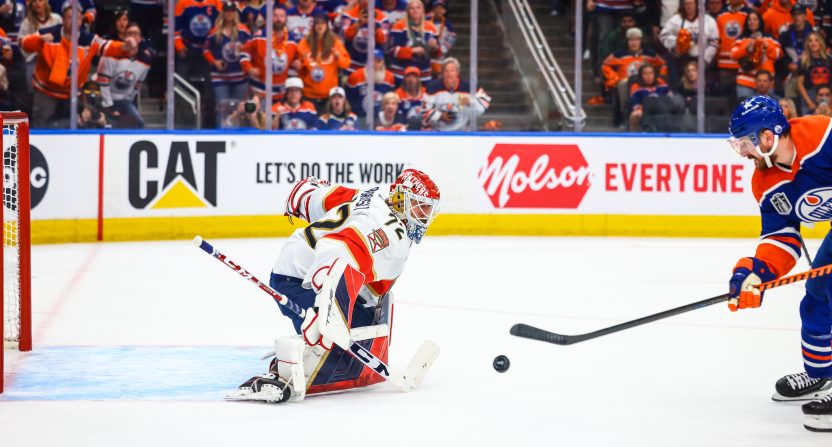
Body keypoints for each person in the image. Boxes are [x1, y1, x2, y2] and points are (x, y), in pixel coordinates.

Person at [227, 170, 440, 403]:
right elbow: (335, 249)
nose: (425, 215)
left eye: (429, 208)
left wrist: (304, 195)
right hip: (300, 280)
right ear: (400, 199)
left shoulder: (379, 195)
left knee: (360, 327)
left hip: (304, 266)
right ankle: (283, 370)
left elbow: (328, 197)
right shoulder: (387, 232)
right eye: (420, 206)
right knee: (336, 343)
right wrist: (324, 310)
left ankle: (325, 339)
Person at [726, 95, 832, 433]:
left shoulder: (821, 137)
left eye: (745, 143)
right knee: (818, 290)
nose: (742, 153)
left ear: (767, 136)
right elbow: (782, 239)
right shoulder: (765, 182)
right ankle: (821, 375)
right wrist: (754, 272)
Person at [22, 3, 137, 128]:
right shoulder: (48, 33)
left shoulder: (89, 39)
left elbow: (108, 46)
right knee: (42, 126)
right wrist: (39, 40)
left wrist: (125, 47)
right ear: (63, 19)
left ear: (82, 20)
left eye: (77, 18)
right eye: (70, 17)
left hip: (72, 93)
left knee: (81, 122)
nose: (74, 21)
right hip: (46, 91)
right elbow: (25, 44)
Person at [601, 27, 667, 125]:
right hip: (626, 82)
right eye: (631, 40)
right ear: (627, 41)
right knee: (623, 83)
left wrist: (660, 77)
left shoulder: (650, 54)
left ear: (641, 40)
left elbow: (663, 64)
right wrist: (614, 78)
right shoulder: (619, 54)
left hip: (646, 83)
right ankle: (625, 112)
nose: (634, 42)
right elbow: (605, 65)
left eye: (636, 39)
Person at [96, 22, 153, 129]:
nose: (132, 36)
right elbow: (103, 82)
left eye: (135, 33)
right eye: (129, 33)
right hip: (104, 100)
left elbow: (137, 86)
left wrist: (129, 100)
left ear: (140, 38)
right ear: (125, 37)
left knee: (138, 123)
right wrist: (110, 107)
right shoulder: (112, 54)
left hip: (124, 101)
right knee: (109, 125)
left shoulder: (145, 61)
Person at [204, 2, 251, 126]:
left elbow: (252, 49)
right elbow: (206, 50)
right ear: (223, 12)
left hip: (240, 76)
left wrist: (244, 49)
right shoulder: (214, 31)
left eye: (232, 11)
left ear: (235, 12)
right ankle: (221, 134)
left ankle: (239, 137)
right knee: (222, 107)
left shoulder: (244, 31)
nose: (229, 13)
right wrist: (214, 61)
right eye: (227, 11)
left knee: (240, 109)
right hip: (220, 77)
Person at [242, 7, 300, 104]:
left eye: (281, 16)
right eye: (275, 16)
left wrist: (297, 63)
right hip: (259, 92)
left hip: (282, 94)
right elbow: (244, 53)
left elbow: (297, 59)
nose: (278, 19)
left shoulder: (292, 39)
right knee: (257, 118)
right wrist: (249, 68)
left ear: (286, 19)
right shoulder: (259, 36)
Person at [297, 11, 350, 110]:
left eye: (323, 23)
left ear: (327, 25)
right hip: (308, 94)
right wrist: (301, 62)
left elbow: (346, 64)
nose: (320, 26)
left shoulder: (335, 42)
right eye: (317, 23)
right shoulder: (304, 43)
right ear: (313, 25)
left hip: (328, 95)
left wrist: (338, 56)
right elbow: (299, 68)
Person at [659, 0, 719, 83]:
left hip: (703, 59)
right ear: (682, 5)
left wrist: (704, 60)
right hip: (681, 59)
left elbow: (714, 42)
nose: (689, 6)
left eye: (691, 3)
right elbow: (663, 36)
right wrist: (677, 42)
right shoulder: (675, 20)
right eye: (686, 3)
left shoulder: (709, 21)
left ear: (696, 4)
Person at [423, 57, 490, 131]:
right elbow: (424, 110)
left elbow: (484, 104)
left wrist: (470, 102)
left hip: (462, 133)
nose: (449, 74)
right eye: (446, 71)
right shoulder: (432, 87)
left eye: (452, 71)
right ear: (442, 73)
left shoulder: (469, 87)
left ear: (457, 72)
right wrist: (440, 116)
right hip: (438, 132)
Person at [730, 10, 782, 100]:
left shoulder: (769, 38)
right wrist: (746, 48)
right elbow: (733, 55)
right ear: (746, 23)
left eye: (755, 19)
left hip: (766, 82)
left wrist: (767, 46)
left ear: (760, 21)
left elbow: (778, 54)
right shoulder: (741, 39)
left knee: (766, 111)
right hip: (745, 82)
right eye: (749, 20)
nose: (752, 22)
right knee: (747, 112)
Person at [18, 0, 61, 96]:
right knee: (35, 96)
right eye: (34, 1)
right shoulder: (27, 22)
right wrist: (38, 40)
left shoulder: (56, 19)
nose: (37, 3)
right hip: (35, 62)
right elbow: (21, 43)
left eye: (40, 0)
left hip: (55, 63)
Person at [389, 0, 439, 83]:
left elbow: (438, 54)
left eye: (418, 8)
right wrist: (412, 51)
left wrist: (435, 47)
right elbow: (391, 50)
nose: (415, 10)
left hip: (423, 73)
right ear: (408, 11)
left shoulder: (431, 28)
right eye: (412, 8)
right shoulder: (399, 26)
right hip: (402, 72)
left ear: (422, 10)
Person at [339, 0, 390, 75]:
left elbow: (383, 40)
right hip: (352, 64)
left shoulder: (383, 18)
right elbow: (345, 36)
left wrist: (374, 26)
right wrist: (359, 23)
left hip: (373, 67)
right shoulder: (348, 15)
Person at [345, 48, 395, 117]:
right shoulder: (355, 76)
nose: (374, 64)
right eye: (372, 61)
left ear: (383, 62)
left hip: (381, 119)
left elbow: (390, 99)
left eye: (378, 61)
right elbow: (348, 100)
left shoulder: (389, 77)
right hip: (360, 117)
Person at [628, 63, 672, 130]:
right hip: (643, 111)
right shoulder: (636, 86)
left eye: (651, 73)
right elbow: (635, 103)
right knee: (635, 115)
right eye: (645, 74)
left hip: (662, 109)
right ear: (641, 75)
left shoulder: (662, 83)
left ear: (654, 75)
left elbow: (670, 98)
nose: (648, 76)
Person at [796, 31, 831, 114]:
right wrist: (809, 102)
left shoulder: (829, 59)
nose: (813, 43)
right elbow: (799, 84)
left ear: (820, 42)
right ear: (807, 44)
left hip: (827, 93)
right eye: (810, 41)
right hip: (809, 96)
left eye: (816, 40)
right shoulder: (803, 62)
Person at [426, 0, 455, 77]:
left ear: (445, 11)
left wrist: (441, 49)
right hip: (426, 54)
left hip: (440, 55)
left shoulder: (448, 24)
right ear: (433, 9)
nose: (439, 10)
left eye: (441, 8)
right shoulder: (427, 20)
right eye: (437, 8)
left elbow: (452, 38)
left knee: (439, 75)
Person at [396, 65, 426, 129]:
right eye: (408, 76)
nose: (411, 79)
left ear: (418, 79)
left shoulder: (426, 92)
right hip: (405, 128)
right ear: (404, 79)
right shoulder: (398, 93)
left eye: (414, 76)